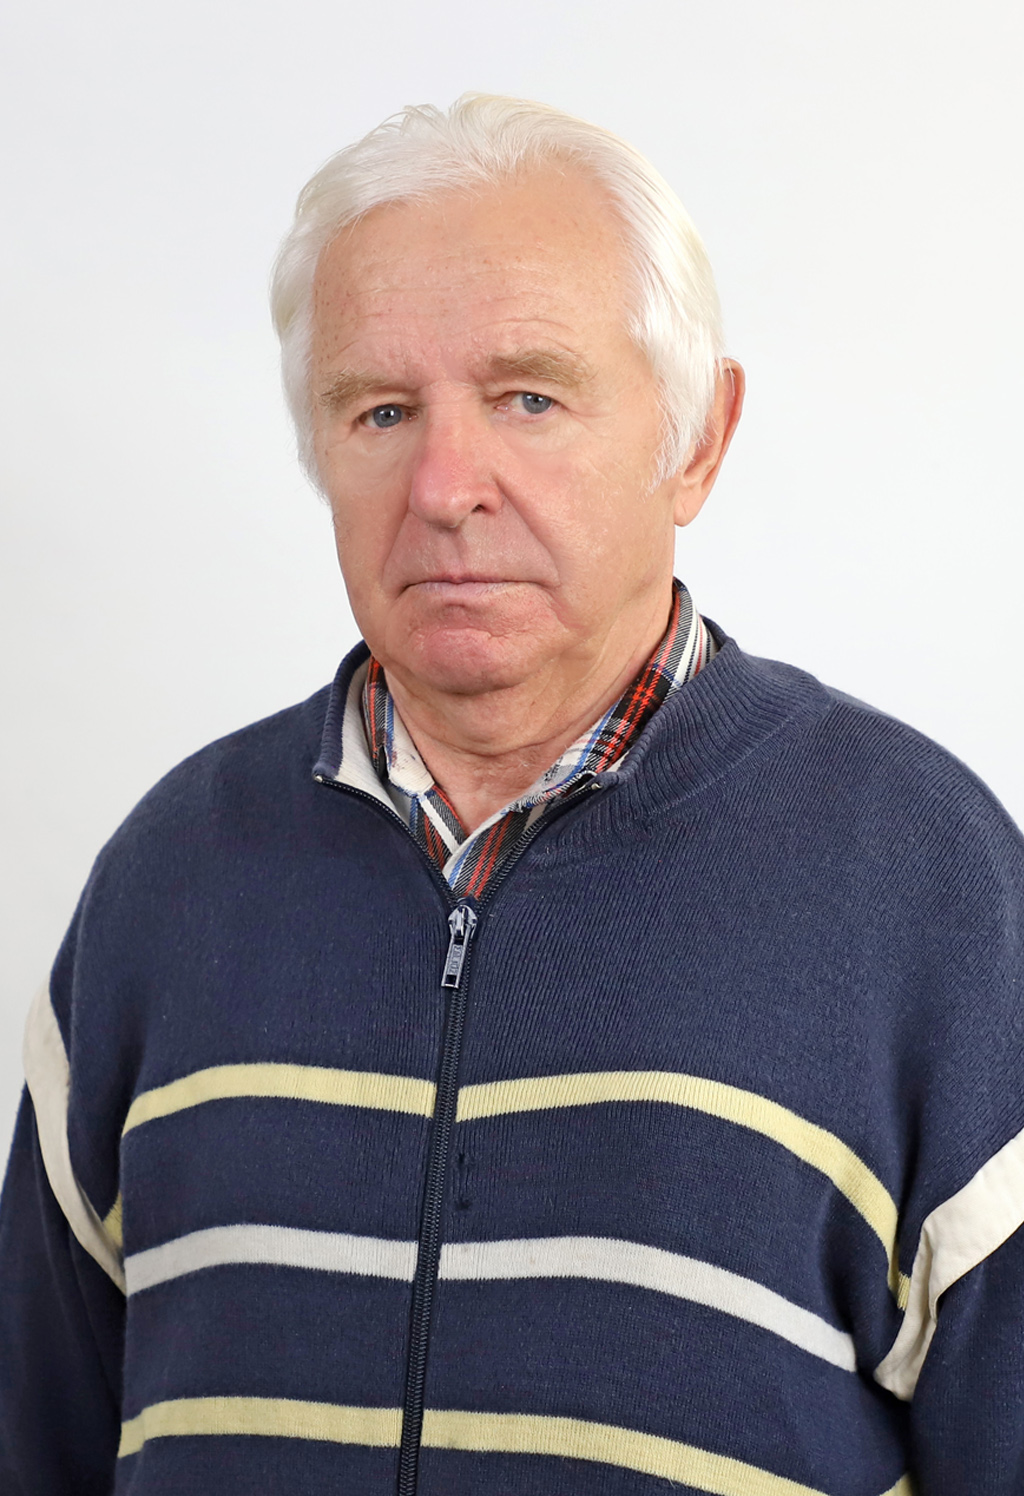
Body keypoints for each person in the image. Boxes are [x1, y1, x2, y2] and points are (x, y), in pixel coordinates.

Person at [1, 94, 1022, 1496]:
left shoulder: (928, 884)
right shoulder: (169, 877)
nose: (443, 484)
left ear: (699, 439)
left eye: (529, 397)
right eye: (380, 409)